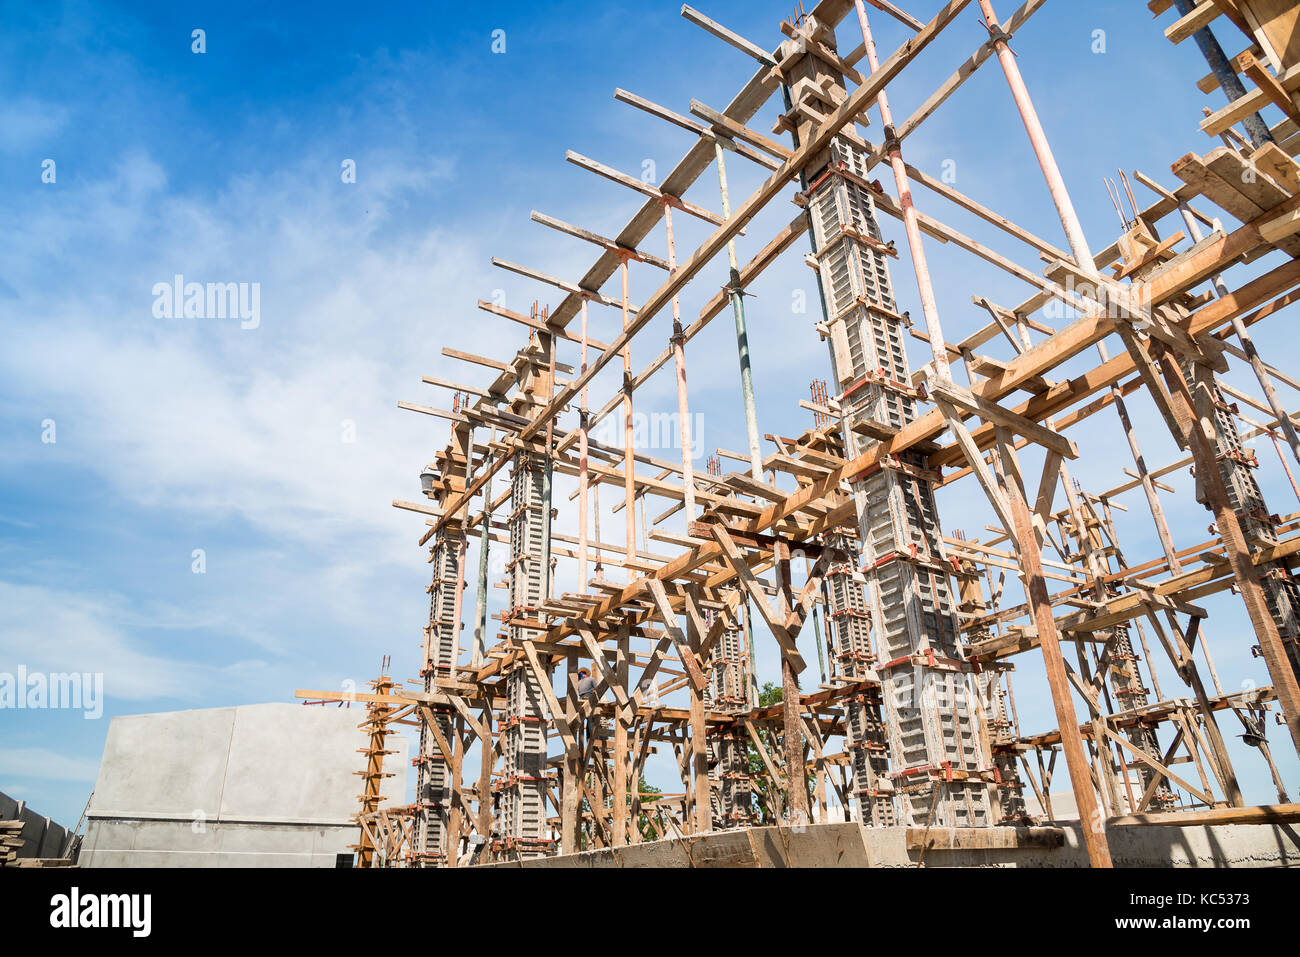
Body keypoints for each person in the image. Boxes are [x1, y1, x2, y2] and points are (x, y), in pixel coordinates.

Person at [576, 667, 598, 743]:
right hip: (589, 698)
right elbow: (598, 689)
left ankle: (586, 740)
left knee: (583, 720)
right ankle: (591, 739)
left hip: (581, 700)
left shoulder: (578, 683)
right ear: (586, 674)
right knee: (591, 719)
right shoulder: (591, 679)